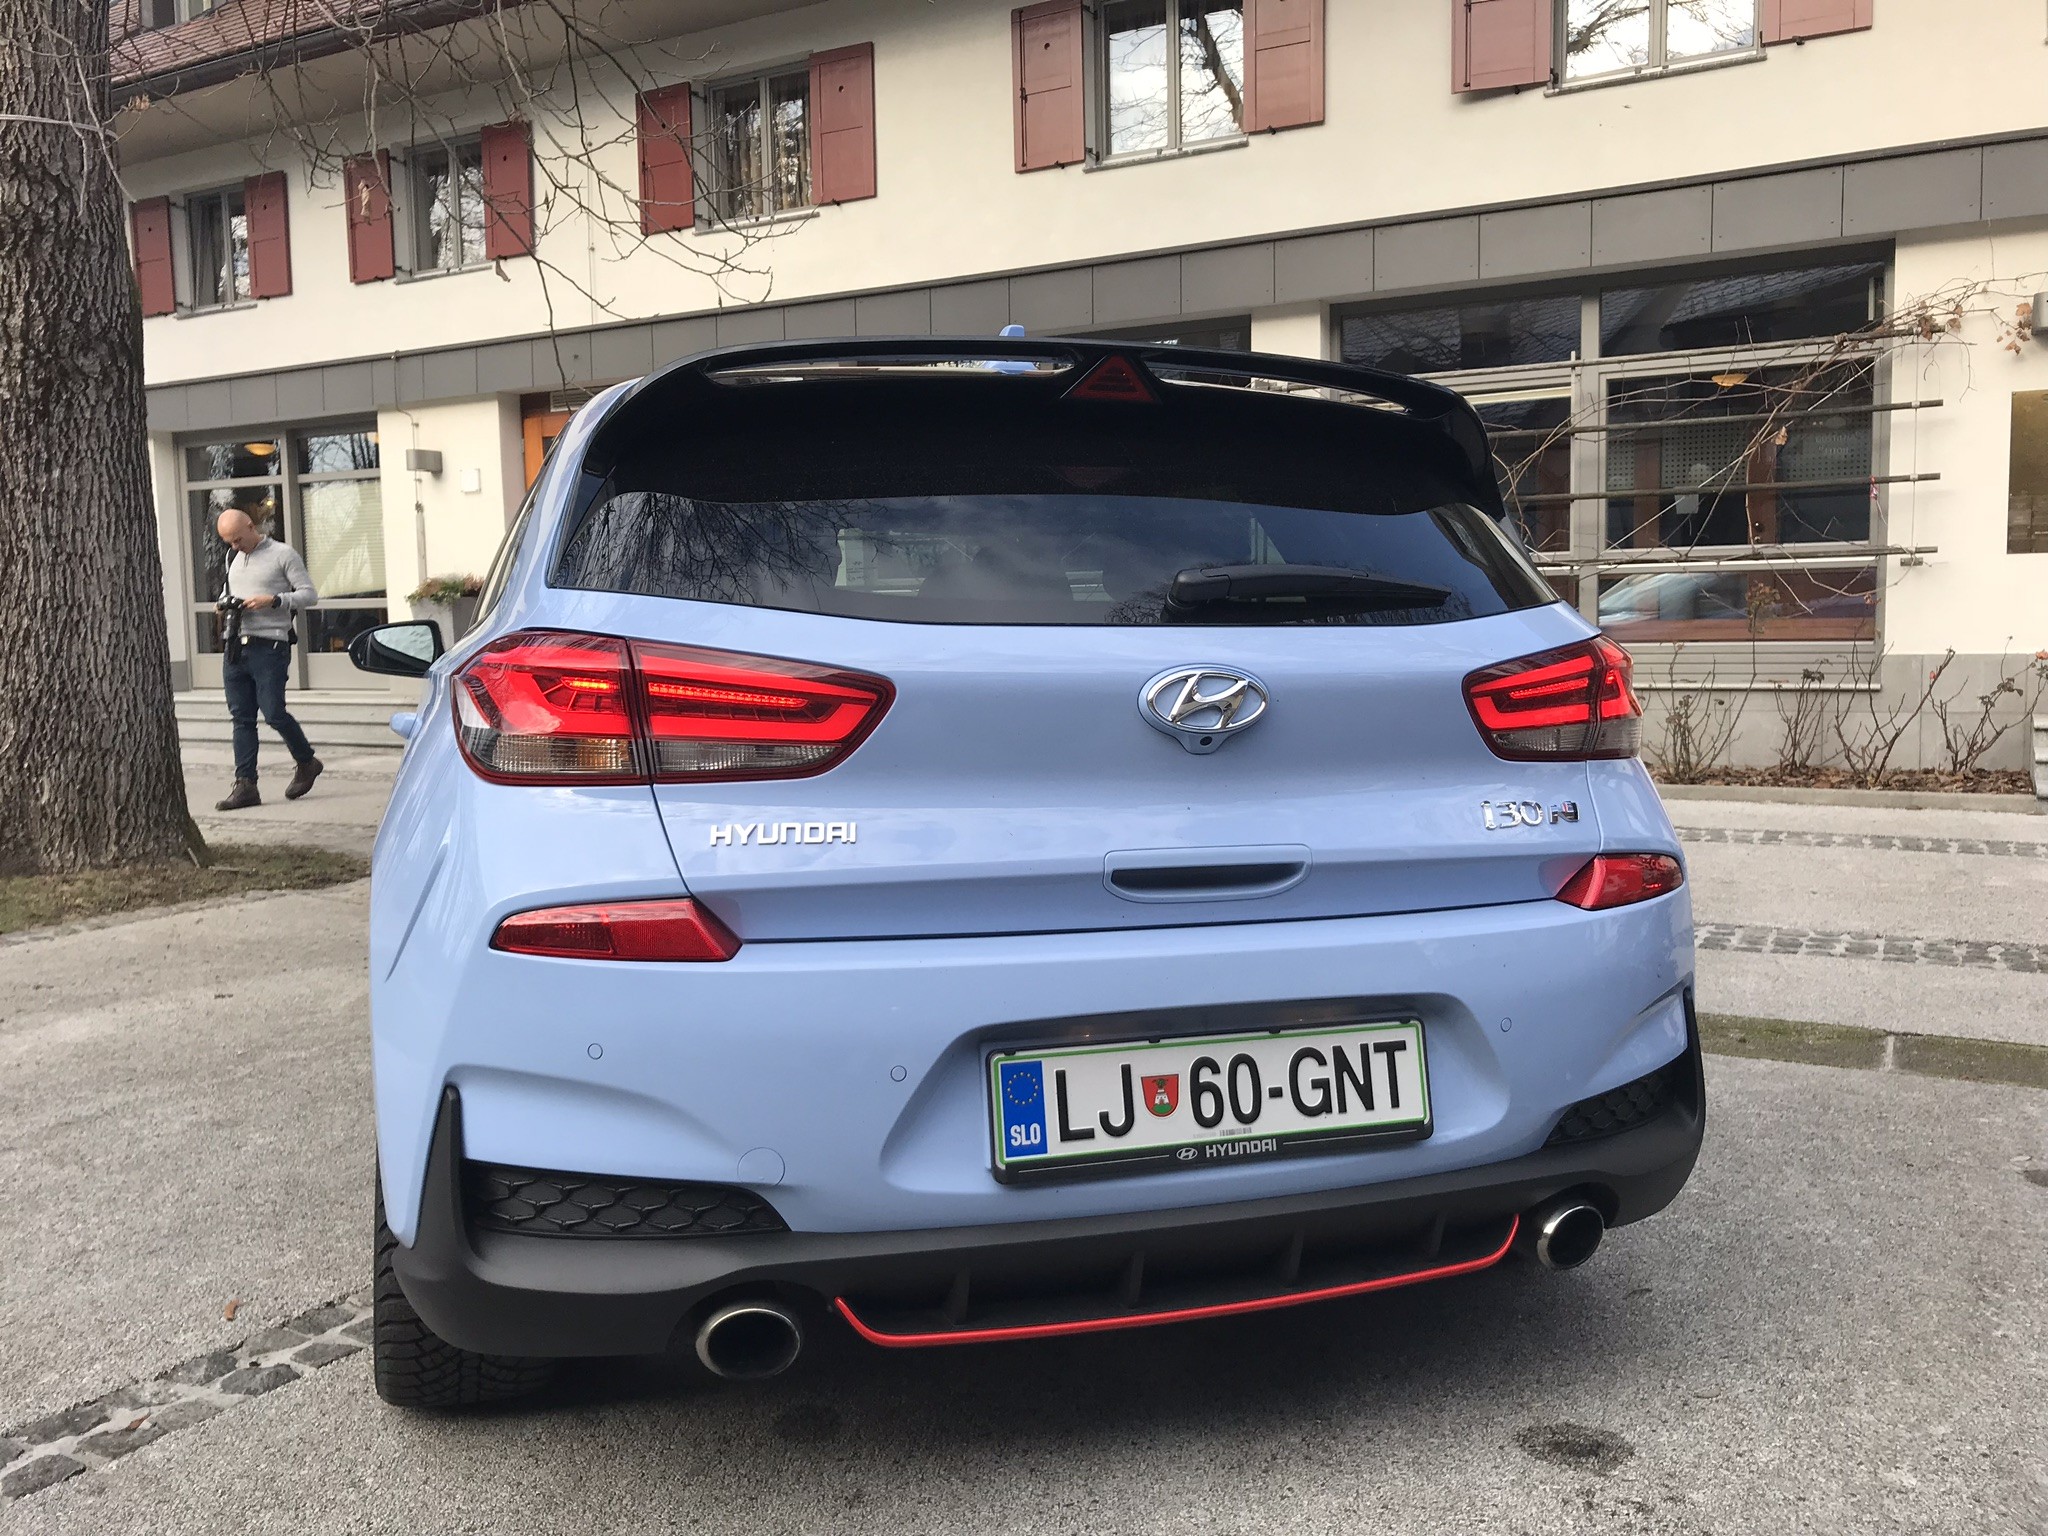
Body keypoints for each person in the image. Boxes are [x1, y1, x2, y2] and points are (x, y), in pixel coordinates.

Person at [213, 506, 322, 810]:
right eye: (229, 542)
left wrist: (274, 600)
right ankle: (245, 785)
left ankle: (307, 761)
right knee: (241, 718)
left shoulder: (283, 554)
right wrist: (222, 604)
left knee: (273, 712)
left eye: (237, 539)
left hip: (270, 645)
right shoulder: (232, 557)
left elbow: (309, 595)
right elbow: (227, 591)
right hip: (236, 645)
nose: (235, 546)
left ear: (251, 526)